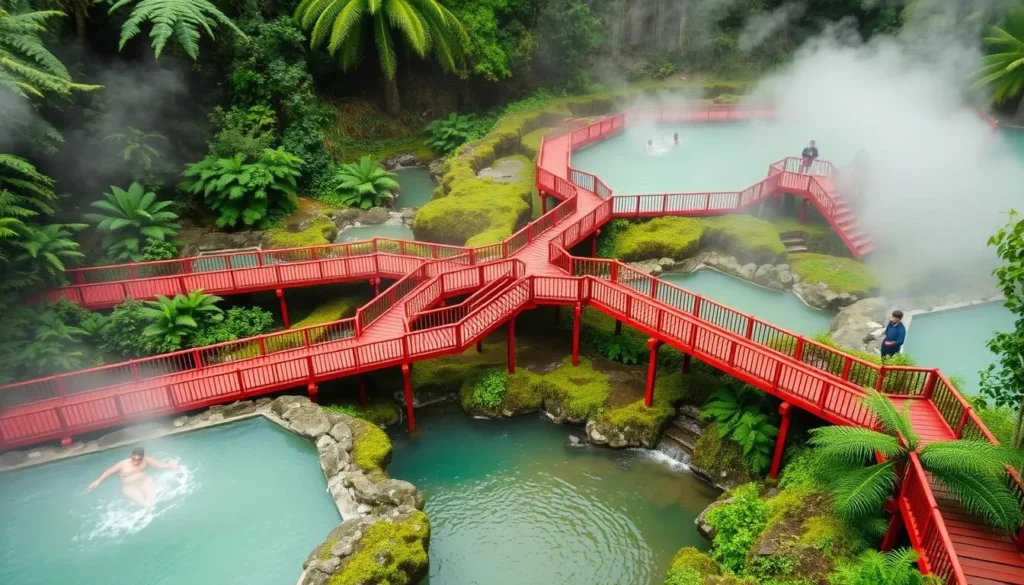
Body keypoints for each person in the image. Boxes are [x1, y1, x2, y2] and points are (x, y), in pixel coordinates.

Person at [88, 447, 180, 507]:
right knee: (145, 503)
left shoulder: (146, 459)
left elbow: (158, 464)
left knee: (153, 499)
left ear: (142, 457)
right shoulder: (123, 464)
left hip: (145, 481)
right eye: (134, 459)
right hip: (130, 487)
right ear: (131, 456)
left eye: (138, 460)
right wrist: (98, 481)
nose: (135, 461)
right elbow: (109, 471)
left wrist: (171, 466)